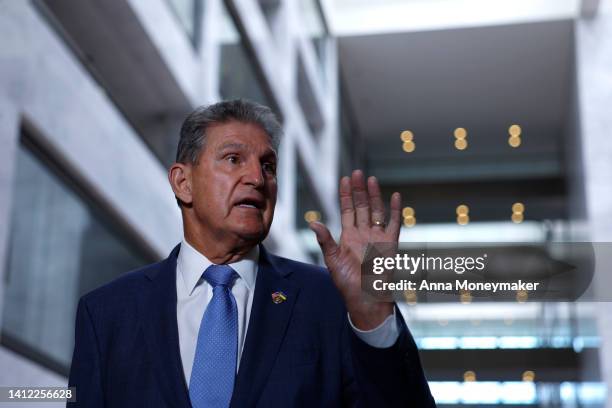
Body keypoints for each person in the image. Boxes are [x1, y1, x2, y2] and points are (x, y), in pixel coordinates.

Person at [68, 99, 435, 407]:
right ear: (183, 182)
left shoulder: (331, 301)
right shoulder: (106, 314)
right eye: (233, 159)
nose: (257, 179)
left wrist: (371, 316)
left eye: (268, 165)